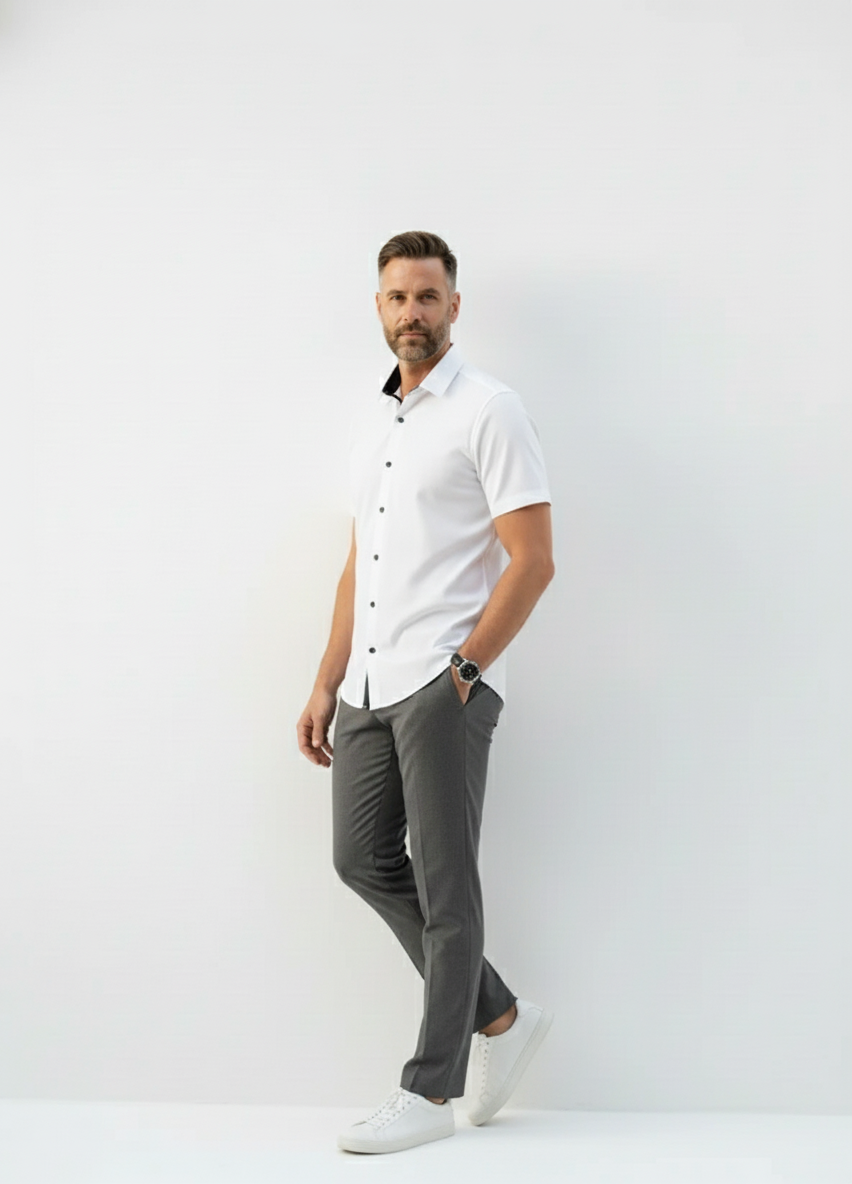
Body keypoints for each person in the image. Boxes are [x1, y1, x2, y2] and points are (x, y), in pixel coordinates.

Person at [296, 230, 555, 1154]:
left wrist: (465, 673)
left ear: (454, 306)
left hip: (442, 680)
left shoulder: (489, 409)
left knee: (448, 885)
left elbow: (533, 560)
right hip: (368, 682)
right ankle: (500, 1017)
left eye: (429, 297)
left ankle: (430, 1092)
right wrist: (326, 680)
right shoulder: (375, 425)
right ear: (379, 307)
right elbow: (357, 565)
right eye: (399, 297)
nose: (414, 312)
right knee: (361, 858)